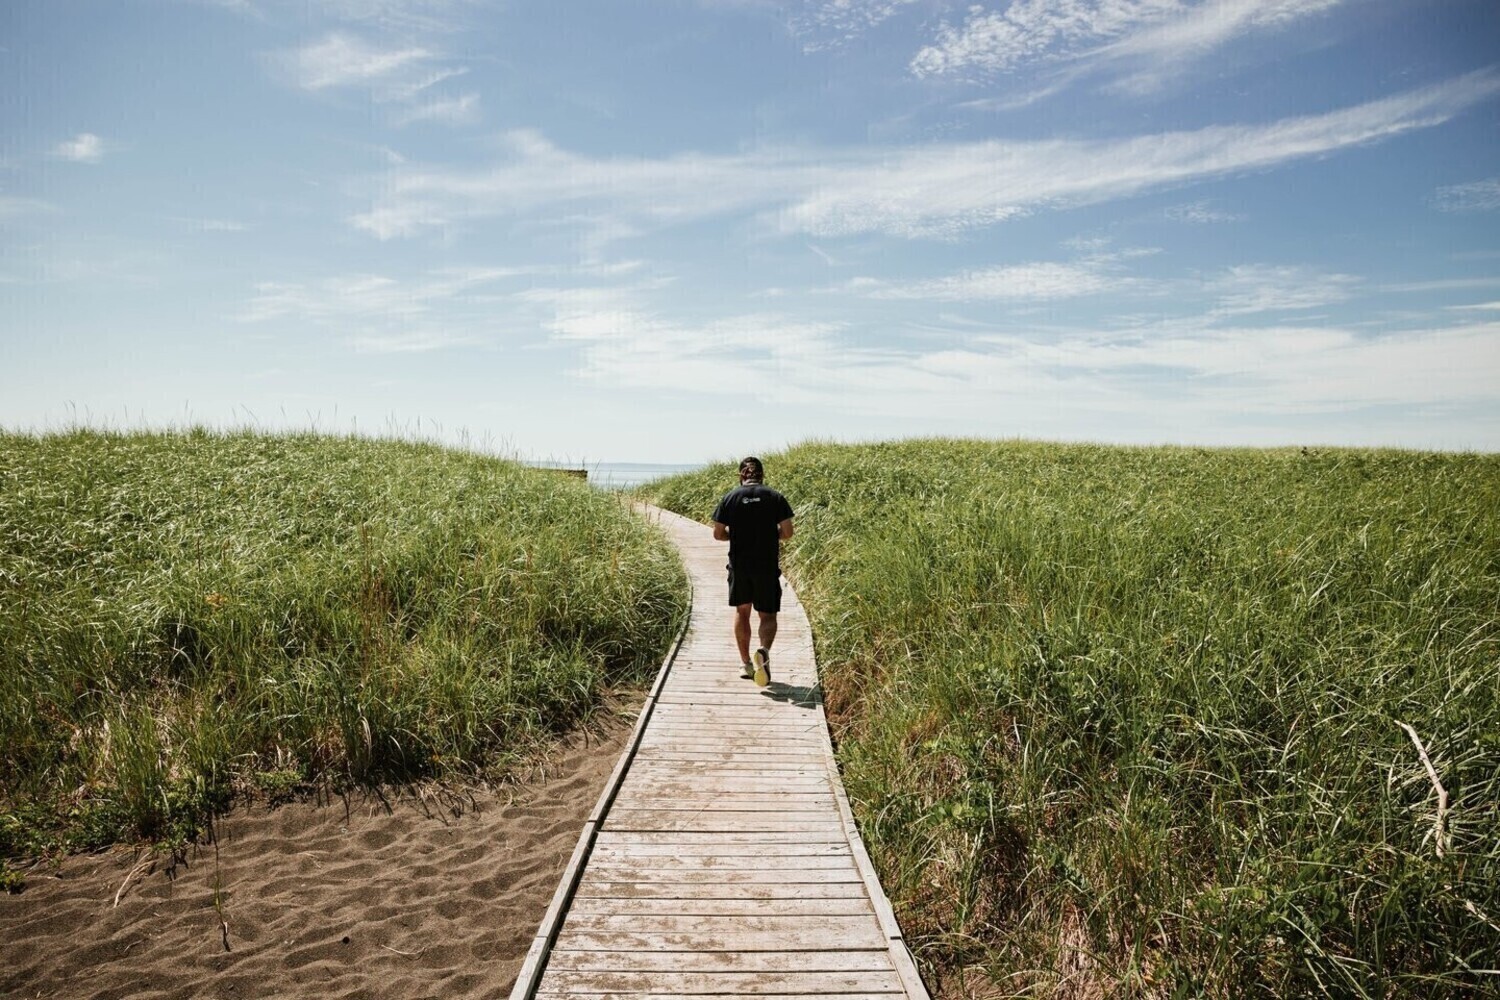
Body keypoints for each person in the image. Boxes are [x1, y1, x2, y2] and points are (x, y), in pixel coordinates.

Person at [711, 456, 794, 687]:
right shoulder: (775, 497)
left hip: (739, 566)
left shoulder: (730, 497)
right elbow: (787, 532)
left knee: (742, 611)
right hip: (766, 566)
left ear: (741, 476)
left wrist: (734, 535)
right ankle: (764, 651)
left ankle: (746, 663)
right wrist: (771, 534)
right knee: (768, 615)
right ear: (762, 475)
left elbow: (717, 533)